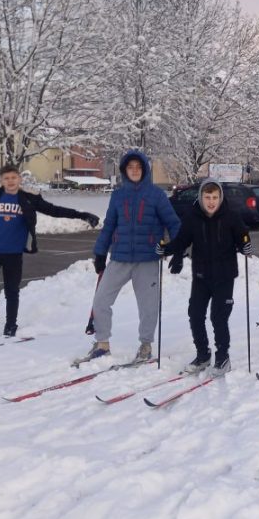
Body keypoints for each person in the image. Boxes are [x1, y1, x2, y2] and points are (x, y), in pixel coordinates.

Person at [0, 164, 100, 337]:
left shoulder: (28, 199)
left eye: (14, 177)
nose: (10, 181)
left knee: (12, 291)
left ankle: (11, 326)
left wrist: (82, 215)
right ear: (1, 181)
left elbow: (54, 210)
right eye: (6, 178)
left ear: (19, 179)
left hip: (13, 254)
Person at [81, 150, 180, 363]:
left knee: (148, 305)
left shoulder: (156, 195)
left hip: (148, 259)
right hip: (120, 257)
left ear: (144, 170)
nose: (134, 170)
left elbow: (173, 223)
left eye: (138, 167)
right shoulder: (118, 195)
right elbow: (109, 226)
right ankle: (102, 344)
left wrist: (176, 249)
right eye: (130, 167)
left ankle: (145, 345)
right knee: (101, 299)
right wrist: (100, 252)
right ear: (125, 171)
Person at [157, 179, 251, 374]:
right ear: (201, 198)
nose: (211, 202)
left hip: (224, 276)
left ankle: (223, 357)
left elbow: (243, 237)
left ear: (220, 198)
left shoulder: (231, 216)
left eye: (214, 197)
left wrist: (245, 246)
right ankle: (203, 354)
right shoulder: (192, 218)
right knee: (195, 314)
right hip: (201, 276)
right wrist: (166, 249)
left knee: (218, 317)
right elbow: (181, 241)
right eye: (207, 197)